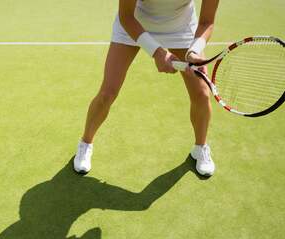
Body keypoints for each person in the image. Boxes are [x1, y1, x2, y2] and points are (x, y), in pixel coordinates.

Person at [73, 0, 219, 176]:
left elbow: (206, 22)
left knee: (202, 94)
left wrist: (194, 50)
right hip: (134, 24)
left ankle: (200, 147)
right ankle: (85, 143)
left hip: (181, 28)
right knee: (107, 93)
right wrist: (157, 52)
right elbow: (126, 17)